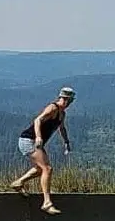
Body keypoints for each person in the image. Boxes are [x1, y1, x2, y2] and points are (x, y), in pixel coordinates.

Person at [11, 86, 74, 214]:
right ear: (67, 100)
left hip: (34, 141)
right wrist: (39, 137)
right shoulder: (53, 108)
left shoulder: (62, 114)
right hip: (28, 140)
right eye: (69, 100)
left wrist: (66, 142)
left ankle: (18, 182)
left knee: (41, 169)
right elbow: (37, 120)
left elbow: (62, 128)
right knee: (47, 169)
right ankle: (46, 203)